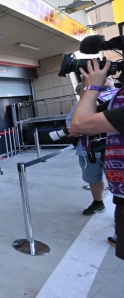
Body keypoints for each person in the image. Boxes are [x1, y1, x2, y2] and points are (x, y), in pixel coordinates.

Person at [70, 59, 124, 258]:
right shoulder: (115, 99)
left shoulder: (107, 99)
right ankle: (98, 203)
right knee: (94, 178)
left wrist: (91, 87)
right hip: (96, 153)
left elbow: (78, 125)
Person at [67, 81, 107, 216]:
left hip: (114, 147)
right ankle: (98, 202)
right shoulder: (78, 106)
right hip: (88, 149)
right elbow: (72, 126)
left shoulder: (112, 100)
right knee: (93, 178)